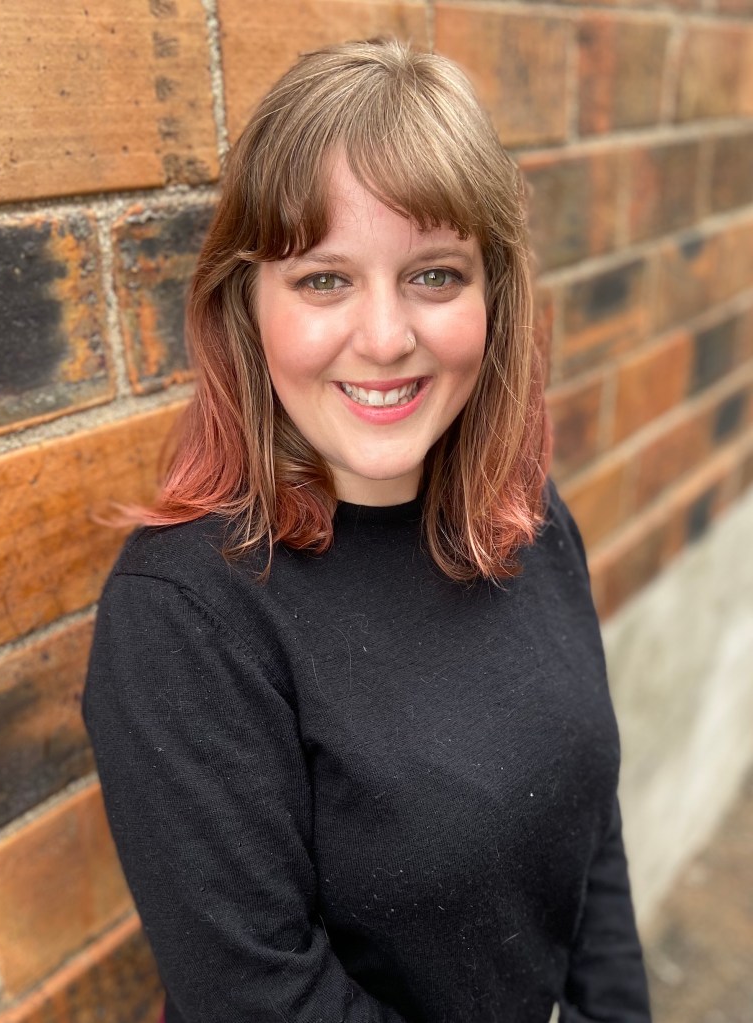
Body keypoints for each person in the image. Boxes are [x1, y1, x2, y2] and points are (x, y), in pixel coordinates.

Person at [83, 38, 651, 1023]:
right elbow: (260, 998)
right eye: (323, 280)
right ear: (247, 307)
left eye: (434, 275)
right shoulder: (184, 617)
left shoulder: (526, 516)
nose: (386, 337)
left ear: (492, 300)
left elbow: (589, 823)